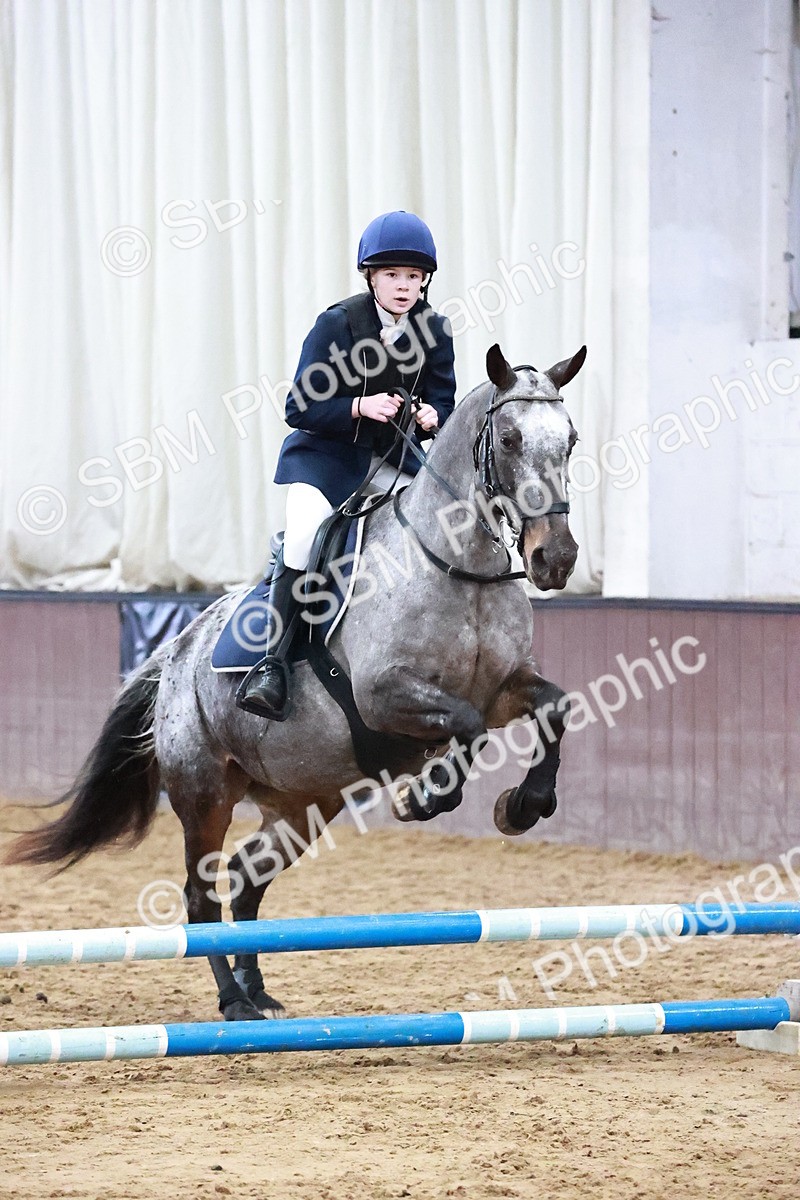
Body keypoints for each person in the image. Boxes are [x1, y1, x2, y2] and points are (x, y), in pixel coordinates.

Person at [238, 210, 457, 721]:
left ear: (425, 278)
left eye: (413, 276)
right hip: (327, 461)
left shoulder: (435, 329)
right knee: (303, 537)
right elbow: (298, 407)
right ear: (371, 277)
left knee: (443, 523)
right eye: (392, 275)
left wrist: (433, 414)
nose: (404, 287)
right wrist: (359, 406)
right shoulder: (337, 323)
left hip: (393, 461)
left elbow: (444, 396)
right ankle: (274, 665)